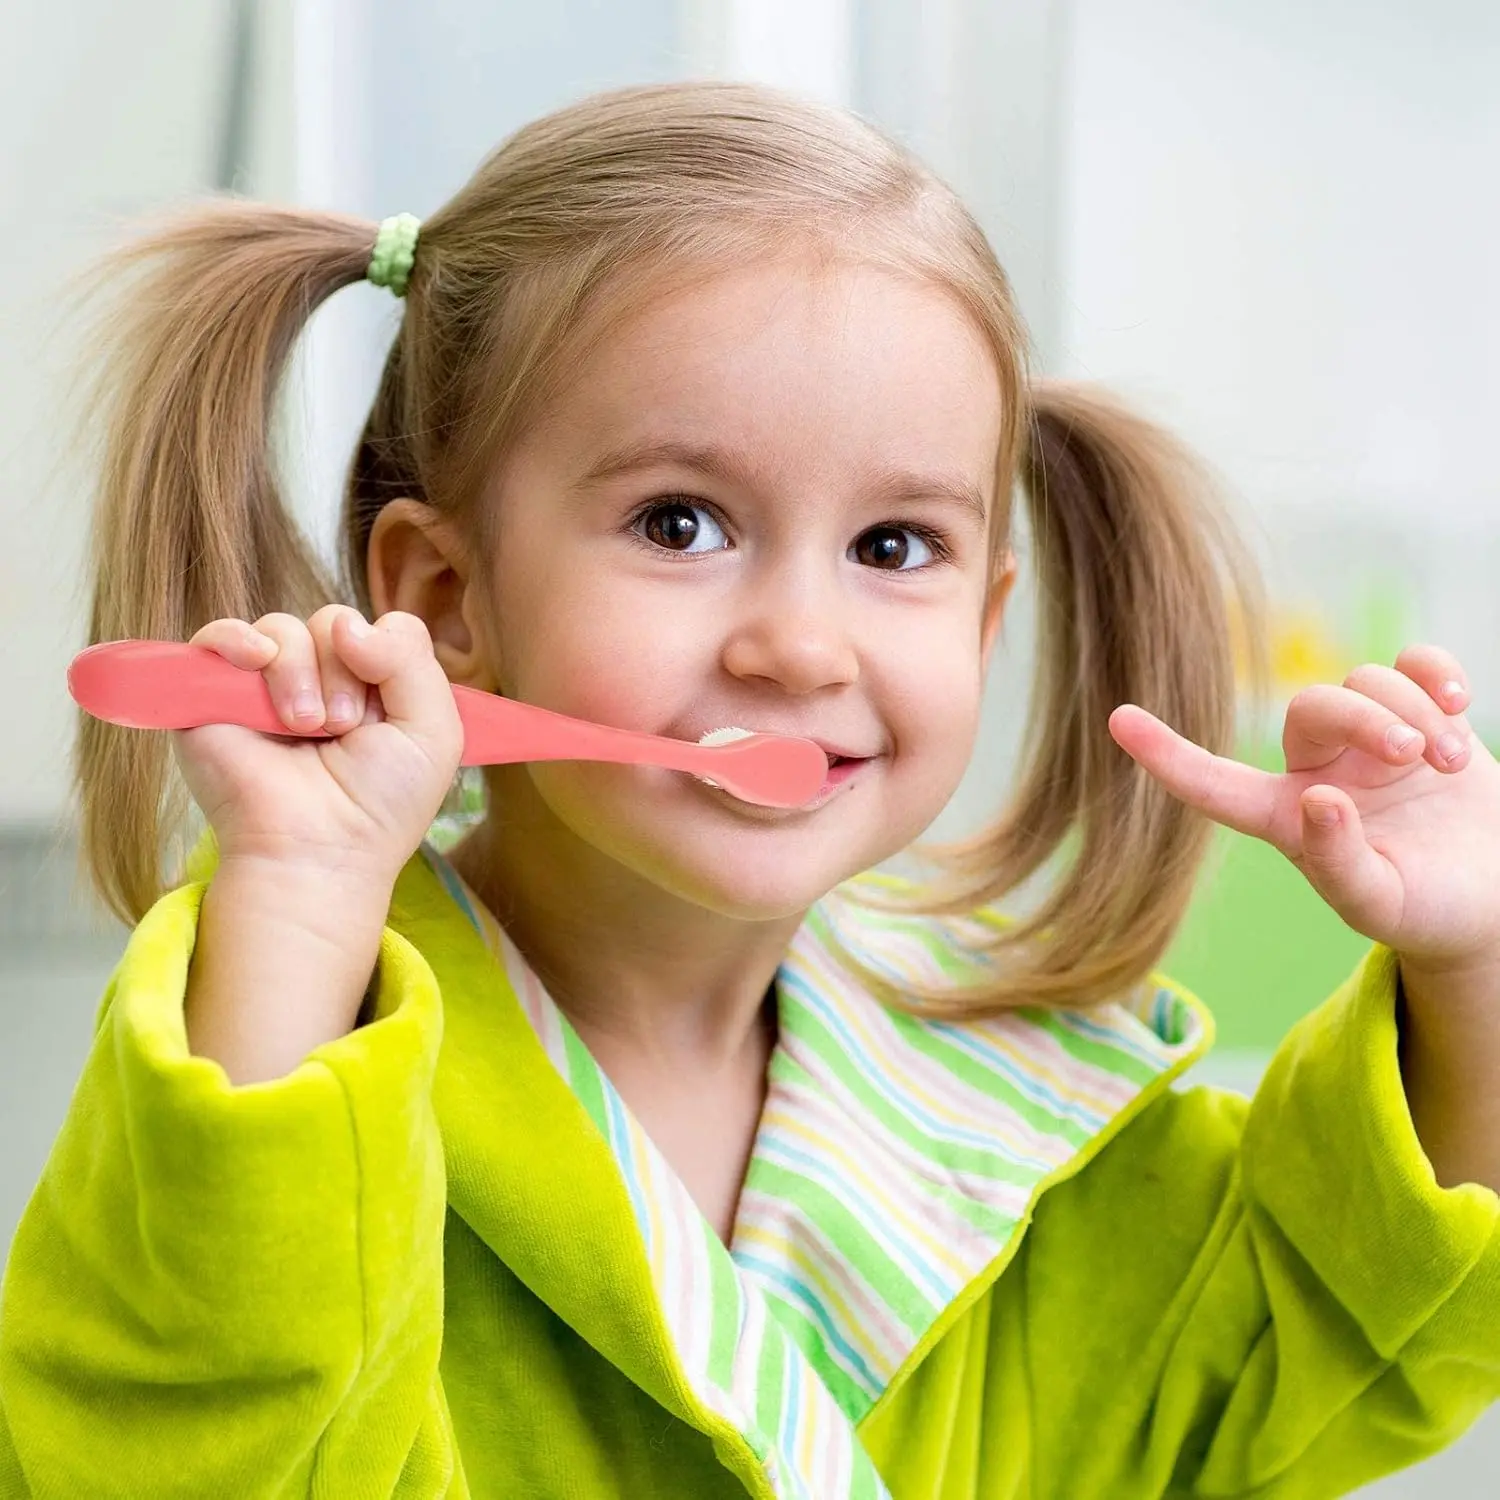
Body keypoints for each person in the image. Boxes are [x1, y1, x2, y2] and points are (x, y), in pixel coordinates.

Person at [1, 80, 1497, 1500]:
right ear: (443, 597)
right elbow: (168, 1456)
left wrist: (1474, 956)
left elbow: (1343, 1320)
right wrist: (303, 900)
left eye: (895, 548)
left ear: (987, 619)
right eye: (680, 523)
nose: (799, 645)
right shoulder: (294, 1025)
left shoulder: (1020, 1101)